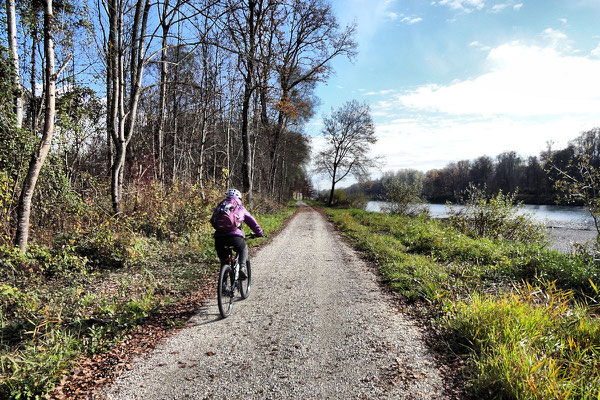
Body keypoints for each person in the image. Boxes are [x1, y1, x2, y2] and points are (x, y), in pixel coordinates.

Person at [212, 189, 263, 279]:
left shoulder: (221, 206)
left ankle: (223, 287)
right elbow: (252, 221)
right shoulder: (240, 208)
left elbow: (213, 220)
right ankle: (242, 268)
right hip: (235, 237)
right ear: (239, 198)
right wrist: (259, 233)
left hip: (219, 238)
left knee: (224, 262)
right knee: (243, 248)